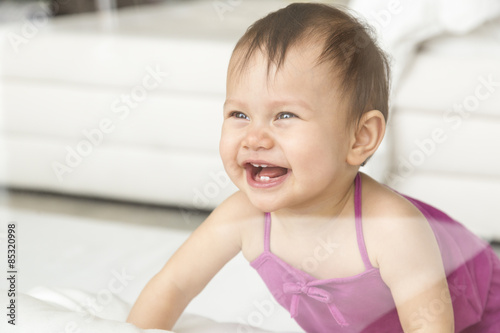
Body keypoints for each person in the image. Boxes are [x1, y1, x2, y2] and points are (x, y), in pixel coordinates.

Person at [127, 3, 500, 332]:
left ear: (359, 139)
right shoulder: (242, 216)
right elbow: (173, 285)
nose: (255, 137)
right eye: (239, 114)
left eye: (284, 115)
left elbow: (430, 325)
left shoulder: (392, 229)